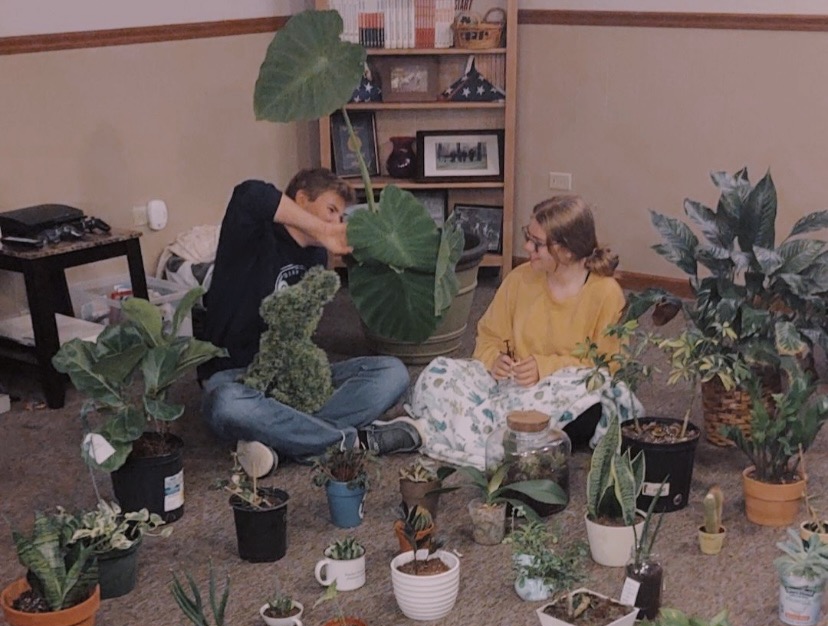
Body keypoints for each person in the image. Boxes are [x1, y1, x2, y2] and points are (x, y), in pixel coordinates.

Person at [199, 170, 421, 472]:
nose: (337, 222)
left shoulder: (316, 256)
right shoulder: (252, 233)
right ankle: (352, 442)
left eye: (340, 216)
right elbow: (249, 193)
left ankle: (286, 439)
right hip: (237, 376)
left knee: (392, 372)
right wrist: (323, 229)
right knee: (225, 403)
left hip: (295, 377)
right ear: (302, 199)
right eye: (331, 210)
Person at [408, 194, 642, 469]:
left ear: (567, 251)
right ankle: (485, 431)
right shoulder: (519, 278)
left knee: (593, 404)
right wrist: (494, 360)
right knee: (440, 374)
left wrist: (544, 368)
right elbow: (489, 335)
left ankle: (446, 430)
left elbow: (610, 366)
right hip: (507, 385)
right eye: (528, 237)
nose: (526, 246)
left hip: (563, 393)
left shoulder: (606, 293)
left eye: (537, 243)